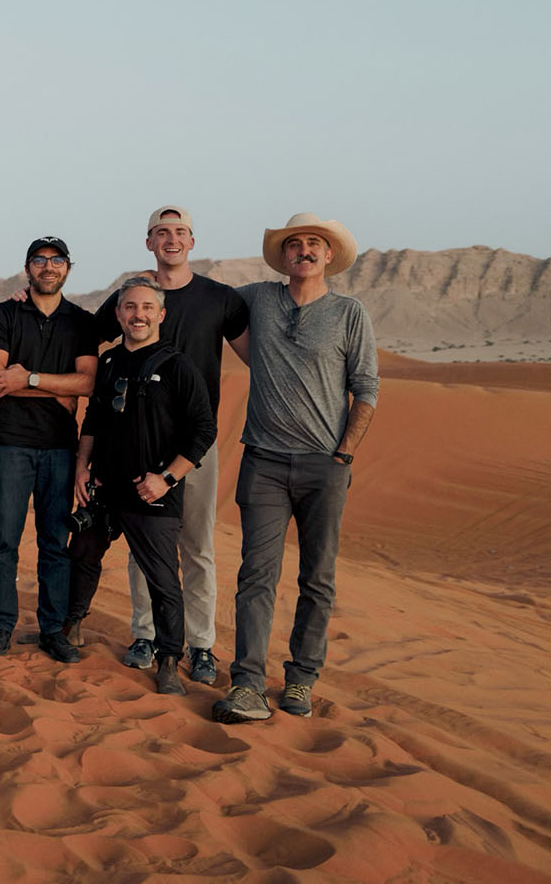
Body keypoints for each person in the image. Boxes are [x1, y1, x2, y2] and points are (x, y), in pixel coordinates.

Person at [212, 213, 379, 723]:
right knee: (256, 576)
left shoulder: (350, 313)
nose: (304, 250)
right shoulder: (257, 299)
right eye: (295, 244)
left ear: (329, 256)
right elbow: (198, 301)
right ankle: (247, 685)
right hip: (262, 462)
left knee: (317, 579)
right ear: (283, 256)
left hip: (323, 468)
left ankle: (302, 681)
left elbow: (367, 388)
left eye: (314, 244)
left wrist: (344, 454)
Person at [75, 206, 250, 685]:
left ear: (192, 241)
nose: (171, 240)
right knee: (142, 546)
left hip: (194, 446)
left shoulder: (220, 298)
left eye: (179, 232)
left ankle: (201, 645)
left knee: (197, 545)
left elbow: (259, 355)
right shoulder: (131, 296)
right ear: (148, 242)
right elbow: (84, 336)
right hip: (135, 447)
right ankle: (145, 634)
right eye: (161, 233)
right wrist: (29, 303)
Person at [74, 277, 216, 695]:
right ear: (118, 314)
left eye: (146, 308)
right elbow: (94, 419)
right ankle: (69, 629)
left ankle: (169, 658)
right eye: (130, 308)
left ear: (161, 315)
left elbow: (203, 429)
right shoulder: (111, 362)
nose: (138, 315)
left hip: (150, 493)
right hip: (106, 488)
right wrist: (82, 467)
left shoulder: (177, 365)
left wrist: (167, 478)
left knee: (162, 580)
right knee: (81, 554)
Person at [0, 237, 98, 664]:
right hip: (9, 445)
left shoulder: (81, 321)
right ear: (27, 267)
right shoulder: (3, 313)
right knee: (3, 541)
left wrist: (27, 380)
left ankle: (52, 630)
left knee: (54, 542)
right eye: (40, 260)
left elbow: (87, 384)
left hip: (60, 449)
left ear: (68, 267)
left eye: (57, 260)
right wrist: (55, 389)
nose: (48, 267)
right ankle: (1, 626)